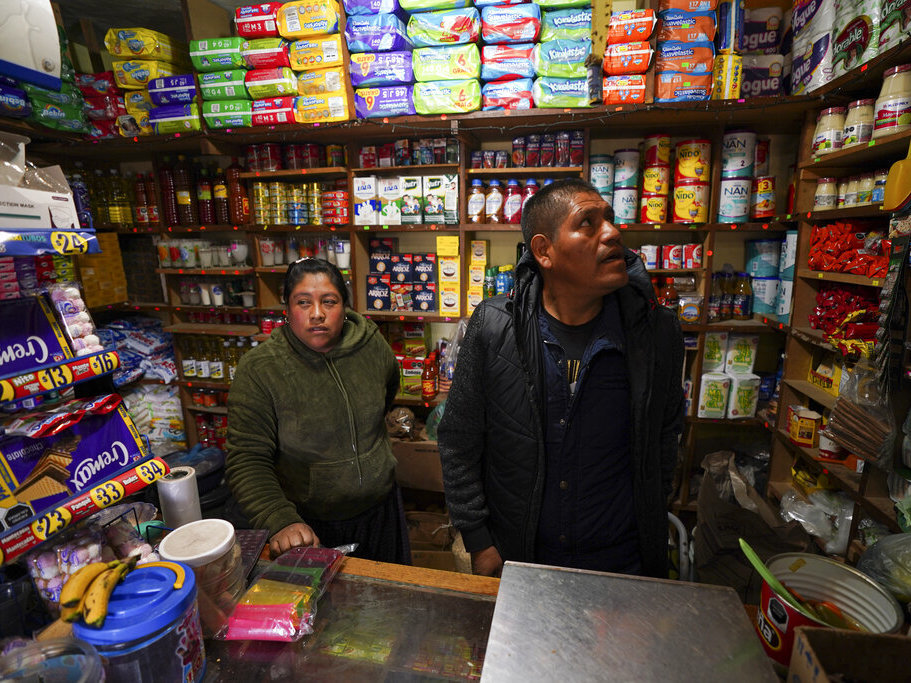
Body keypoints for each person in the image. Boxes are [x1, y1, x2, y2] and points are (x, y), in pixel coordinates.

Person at [438, 178, 684, 578]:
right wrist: (481, 543)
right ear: (544, 251)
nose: (613, 232)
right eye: (588, 223)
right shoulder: (493, 327)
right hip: (519, 557)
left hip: (620, 563)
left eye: (609, 218)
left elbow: (664, 440)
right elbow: (458, 442)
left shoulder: (656, 333)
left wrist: (651, 527)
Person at [225, 257, 410, 563]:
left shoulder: (372, 345)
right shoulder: (261, 370)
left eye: (329, 301)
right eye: (303, 302)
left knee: (394, 603)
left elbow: (385, 395)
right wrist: (280, 519)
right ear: (287, 310)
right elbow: (246, 459)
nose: (317, 314)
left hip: (382, 512)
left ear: (345, 307)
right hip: (310, 525)